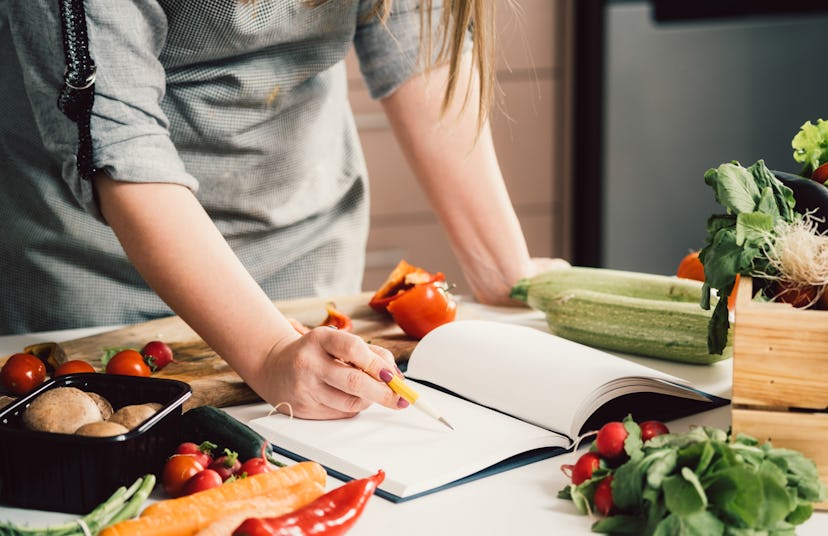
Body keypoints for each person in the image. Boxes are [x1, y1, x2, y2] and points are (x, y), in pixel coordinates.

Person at [1, 0, 568, 419]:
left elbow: (419, 40)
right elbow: (119, 143)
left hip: (305, 259)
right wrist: (270, 352)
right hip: (94, 278)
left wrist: (504, 270)